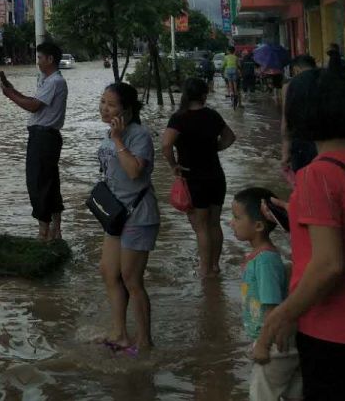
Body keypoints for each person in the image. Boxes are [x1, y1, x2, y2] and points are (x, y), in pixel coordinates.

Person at [257, 69, 345, 400]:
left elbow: (329, 265)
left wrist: (281, 314)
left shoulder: (316, 176)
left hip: (333, 332)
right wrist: (295, 212)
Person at [96, 82, 160, 356]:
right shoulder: (109, 133)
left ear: (128, 110)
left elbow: (135, 172)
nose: (105, 109)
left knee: (132, 279)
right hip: (116, 214)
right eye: (102, 102)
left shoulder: (138, 136)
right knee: (109, 272)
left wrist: (119, 140)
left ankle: (145, 342)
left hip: (138, 215)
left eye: (111, 105)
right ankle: (120, 333)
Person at [229, 186, 303, 401]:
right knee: (294, 393)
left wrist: (263, 344)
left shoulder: (265, 261)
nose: (232, 222)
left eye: (236, 217)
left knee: (261, 395)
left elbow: (272, 307)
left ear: (259, 225)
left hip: (274, 343)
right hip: (278, 341)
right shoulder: (261, 257)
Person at [162, 78, 237, 277]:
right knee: (214, 223)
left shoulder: (179, 118)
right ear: (204, 95)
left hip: (193, 176)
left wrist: (173, 165)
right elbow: (230, 137)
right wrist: (214, 148)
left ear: (185, 95)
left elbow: (166, 145)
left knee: (201, 227)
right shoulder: (213, 115)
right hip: (215, 175)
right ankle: (214, 266)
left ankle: (204, 271)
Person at [1, 41, 68, 241]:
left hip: (43, 137)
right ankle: (55, 230)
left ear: (50, 59)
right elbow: (34, 101)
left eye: (40, 57)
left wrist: (10, 95)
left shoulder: (54, 81)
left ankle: (43, 232)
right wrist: (13, 91)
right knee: (50, 181)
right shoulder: (49, 80)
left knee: (37, 183)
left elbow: (33, 106)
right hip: (46, 136)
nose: (37, 61)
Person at [280, 55, 318, 178]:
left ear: (296, 69)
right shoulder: (329, 81)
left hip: (302, 141)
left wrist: (285, 150)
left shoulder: (290, 86)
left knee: (304, 181)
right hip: (330, 142)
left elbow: (286, 119)